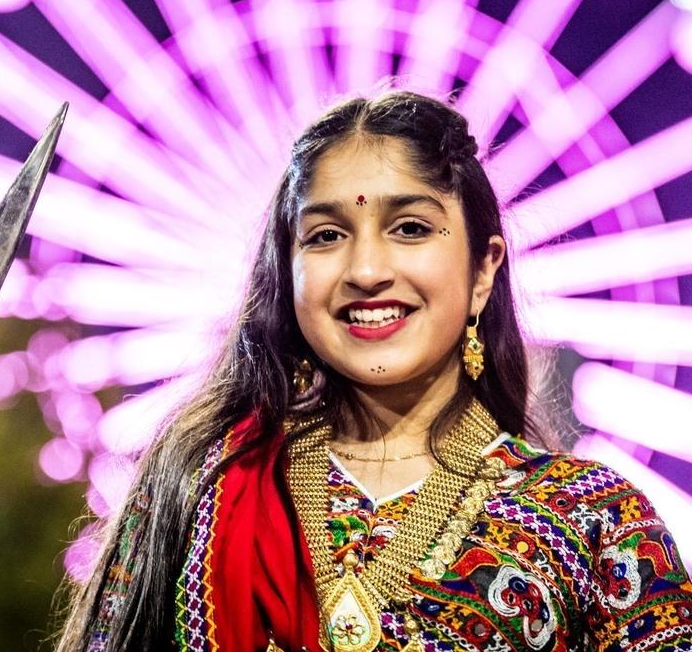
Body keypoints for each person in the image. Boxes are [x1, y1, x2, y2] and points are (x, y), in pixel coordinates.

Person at [55, 91, 692, 652]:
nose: (365, 271)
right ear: (288, 271)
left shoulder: (595, 524)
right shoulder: (196, 488)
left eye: (410, 228)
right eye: (326, 236)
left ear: (483, 269)